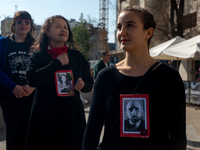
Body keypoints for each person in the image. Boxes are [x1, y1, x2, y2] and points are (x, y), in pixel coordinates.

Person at [82, 5, 186, 150]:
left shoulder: (169, 77)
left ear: (148, 33)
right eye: (119, 27)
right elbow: (92, 129)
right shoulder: (105, 77)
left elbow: (178, 135)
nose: (122, 32)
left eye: (130, 25)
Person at [25, 15, 93, 150]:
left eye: (65, 27)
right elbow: (32, 80)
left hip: (72, 117)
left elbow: (89, 84)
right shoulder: (38, 56)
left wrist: (83, 85)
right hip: (45, 117)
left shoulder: (77, 56)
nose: (63, 29)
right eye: (57, 26)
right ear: (47, 32)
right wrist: (56, 63)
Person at [0, 11, 35, 150]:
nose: (23, 24)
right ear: (13, 24)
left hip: (31, 94)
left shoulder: (36, 45)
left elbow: (41, 68)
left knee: (29, 134)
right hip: (10, 94)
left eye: (27, 22)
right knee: (13, 134)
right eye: (19, 21)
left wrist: (32, 86)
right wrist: (13, 86)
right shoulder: (3, 43)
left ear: (31, 25)